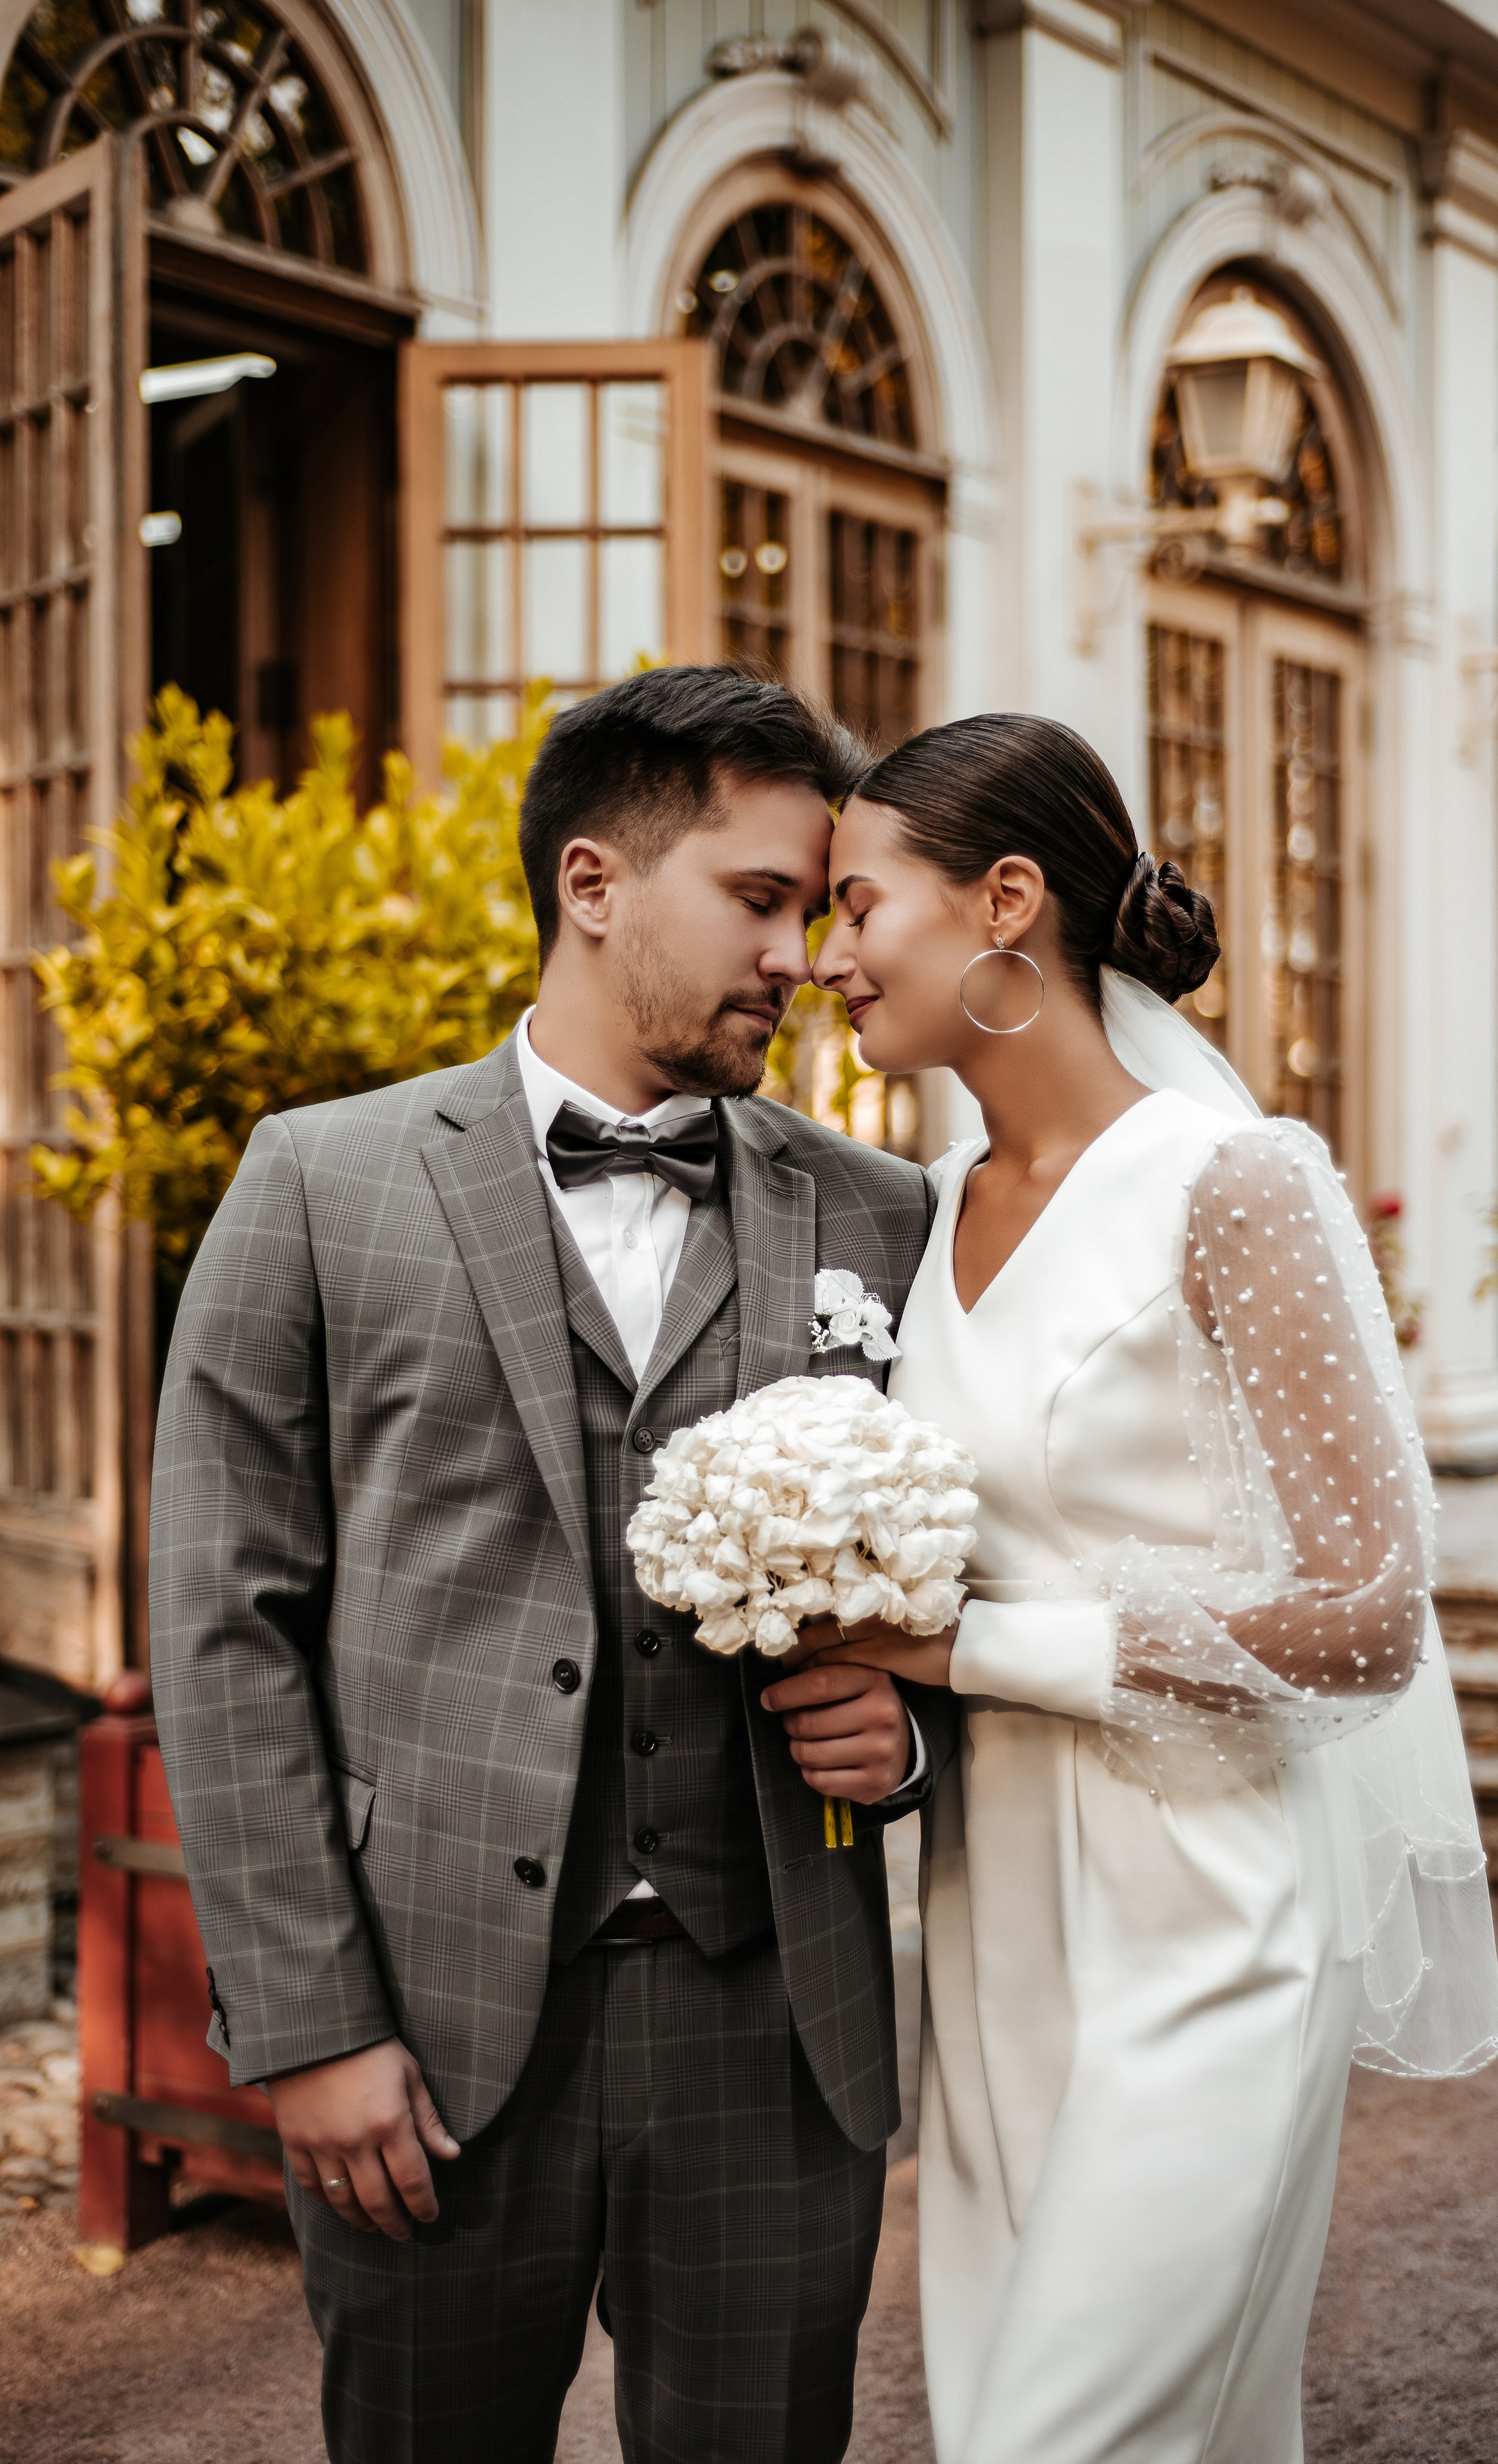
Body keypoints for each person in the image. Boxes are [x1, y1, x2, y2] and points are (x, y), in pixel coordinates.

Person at [148, 665, 957, 2464]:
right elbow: (222, 1621)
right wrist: (310, 2025)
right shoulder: (319, 1182)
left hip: (776, 2038)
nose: (803, 958)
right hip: (425, 2041)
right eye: (760, 898)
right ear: (593, 883)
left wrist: (905, 1738)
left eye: (818, 909)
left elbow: (980, 1570)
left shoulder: (886, 1217)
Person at [802, 712, 1498, 2464]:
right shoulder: (934, 1201)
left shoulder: (1229, 1186)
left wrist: (958, 1642)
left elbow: (1366, 1612)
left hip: (1206, 1916)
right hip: (987, 1932)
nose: (825, 959)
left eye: (857, 905)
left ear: (1006, 903)